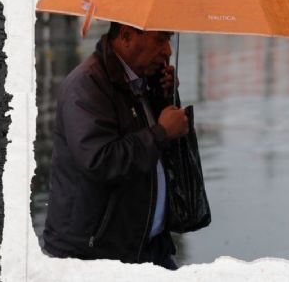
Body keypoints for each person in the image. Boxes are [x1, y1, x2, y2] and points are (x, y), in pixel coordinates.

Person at [43, 22, 189, 270]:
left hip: (147, 248)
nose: (168, 50)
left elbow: (152, 150)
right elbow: (101, 160)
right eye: (160, 39)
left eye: (169, 40)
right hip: (95, 256)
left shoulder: (140, 81)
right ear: (126, 36)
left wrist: (162, 98)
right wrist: (161, 132)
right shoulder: (86, 85)